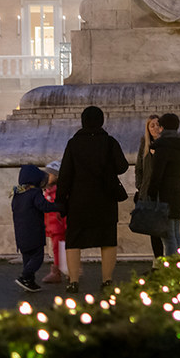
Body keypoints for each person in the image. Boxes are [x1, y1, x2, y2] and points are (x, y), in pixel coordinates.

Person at [57, 106, 129, 294]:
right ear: (101, 121)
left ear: (83, 121)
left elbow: (65, 175)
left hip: (78, 200)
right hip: (105, 199)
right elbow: (122, 166)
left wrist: (60, 202)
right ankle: (107, 280)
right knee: (107, 239)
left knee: (74, 240)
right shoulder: (109, 142)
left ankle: (73, 281)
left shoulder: (73, 143)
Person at [11, 164, 61, 292]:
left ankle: (29, 282)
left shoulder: (17, 194)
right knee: (37, 258)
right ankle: (24, 277)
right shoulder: (34, 193)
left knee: (27, 258)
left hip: (20, 233)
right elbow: (44, 206)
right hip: (34, 232)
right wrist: (58, 206)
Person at [148, 112, 180, 256]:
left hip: (164, 194)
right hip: (178, 191)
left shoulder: (162, 146)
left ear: (162, 127)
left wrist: (151, 193)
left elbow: (157, 174)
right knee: (175, 232)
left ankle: (173, 266)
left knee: (168, 235)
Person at [134, 115, 165, 259]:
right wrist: (140, 187)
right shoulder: (145, 143)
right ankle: (158, 261)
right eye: (152, 125)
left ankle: (170, 262)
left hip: (162, 192)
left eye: (158, 124)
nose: (155, 128)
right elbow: (139, 168)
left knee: (165, 229)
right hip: (148, 193)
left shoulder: (166, 144)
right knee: (153, 230)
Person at [41, 160, 68, 284]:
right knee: (58, 249)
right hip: (53, 226)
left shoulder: (57, 191)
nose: (47, 176)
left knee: (59, 249)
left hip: (58, 226)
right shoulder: (48, 190)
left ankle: (57, 272)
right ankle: (67, 270)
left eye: (49, 174)